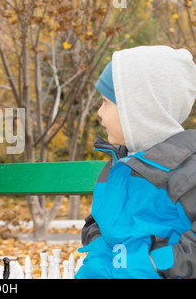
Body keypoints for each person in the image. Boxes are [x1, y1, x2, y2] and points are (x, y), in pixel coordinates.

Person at [75, 46, 196, 279]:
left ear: (139, 111)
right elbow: (96, 223)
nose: (99, 113)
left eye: (106, 102)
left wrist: (155, 264)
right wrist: (98, 256)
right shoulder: (114, 168)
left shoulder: (185, 170)